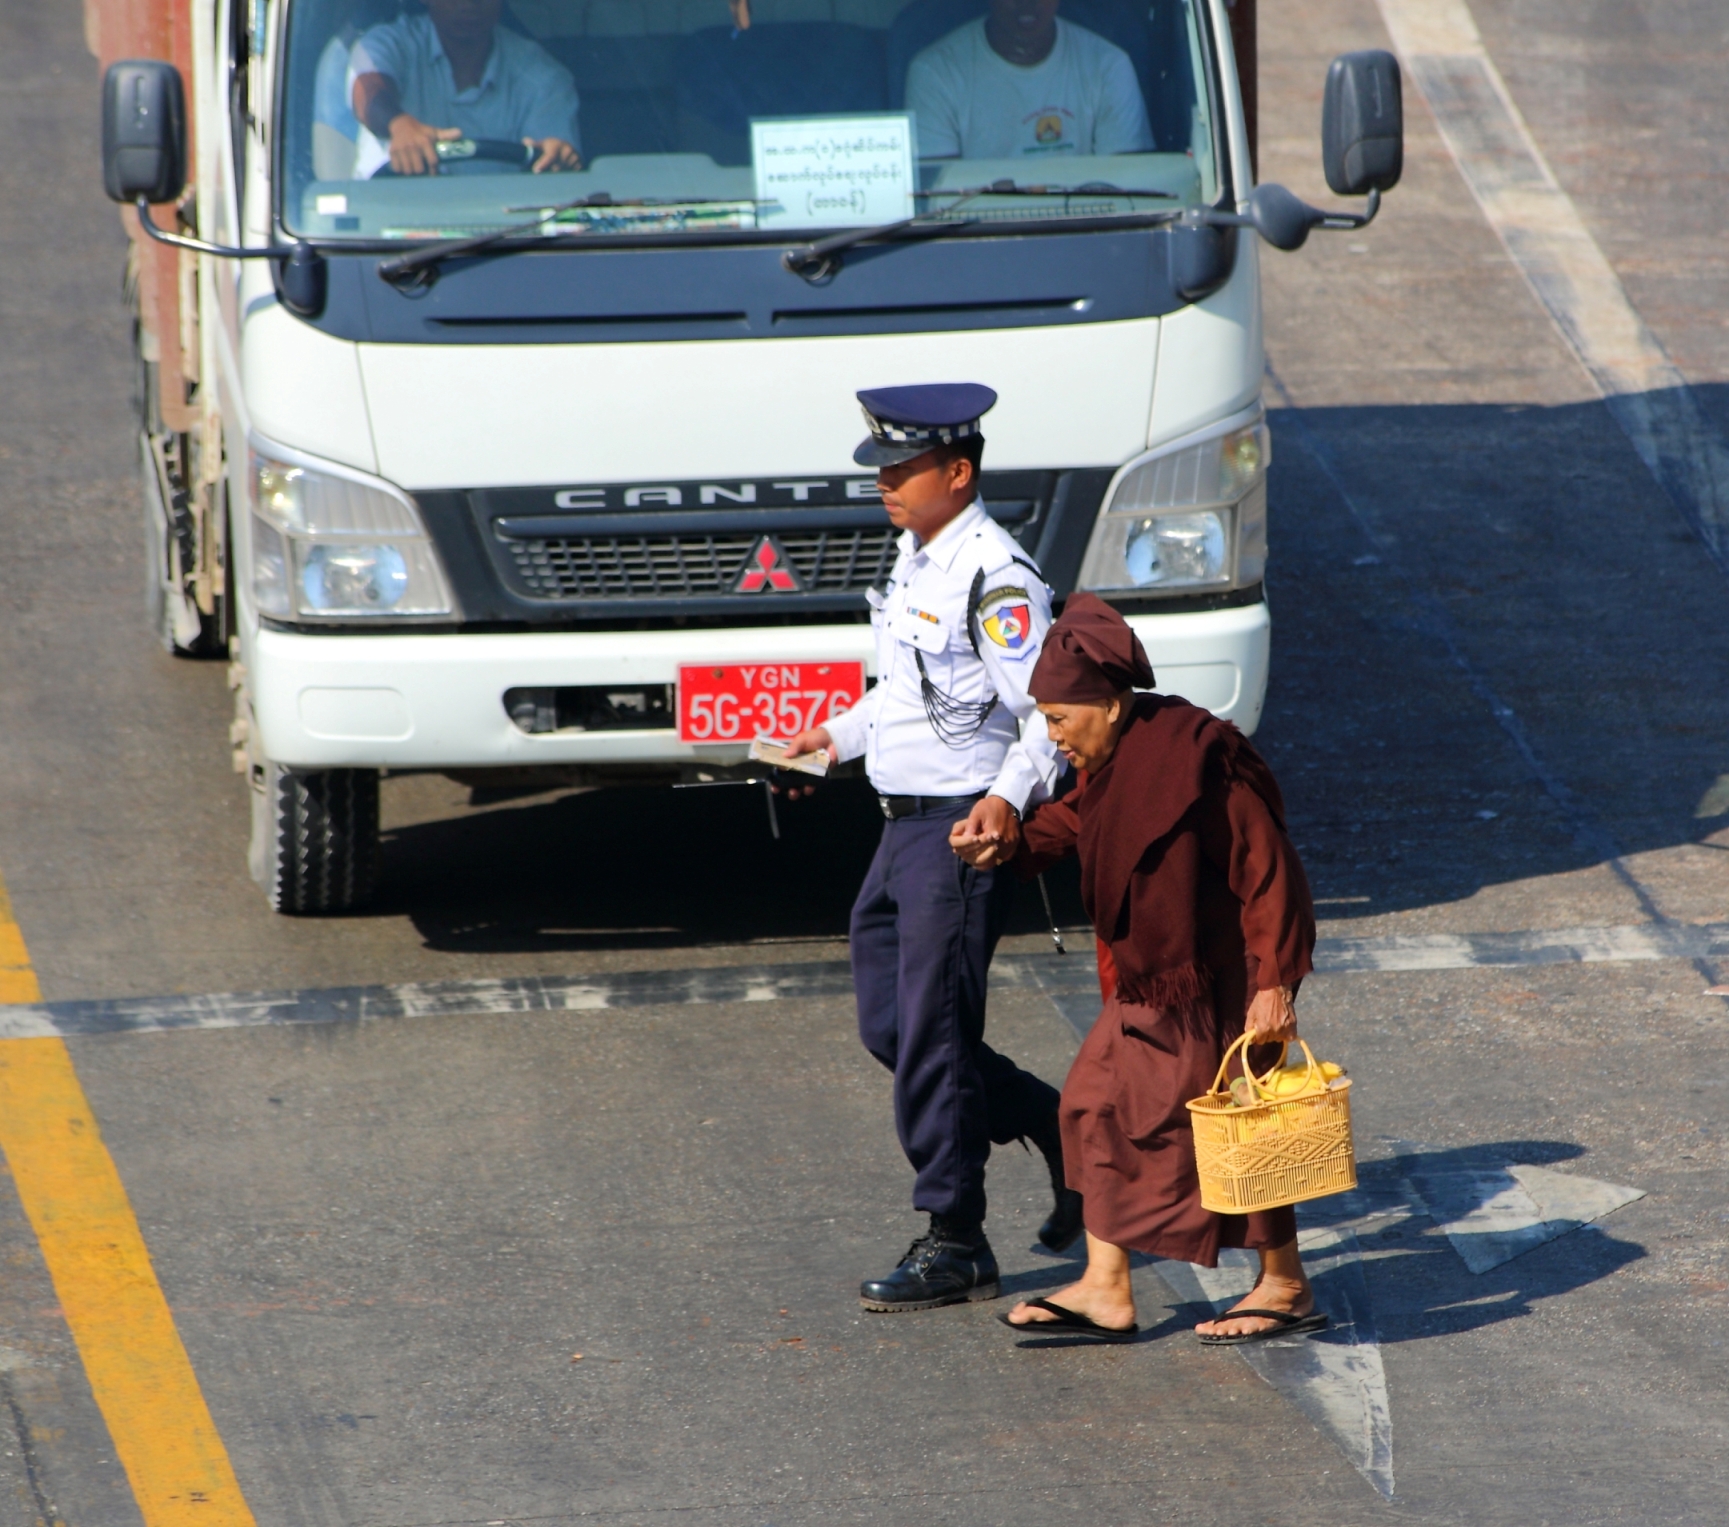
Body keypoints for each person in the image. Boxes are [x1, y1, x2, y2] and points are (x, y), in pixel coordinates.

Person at [952, 594, 1325, 1344]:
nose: (1052, 738)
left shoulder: (1196, 755)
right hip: (1150, 984)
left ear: (1113, 704)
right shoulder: (1116, 761)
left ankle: (1282, 1282)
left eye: (1059, 719)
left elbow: (1267, 870)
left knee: (1240, 1129)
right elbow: (1086, 822)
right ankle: (1105, 1285)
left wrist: (1274, 986)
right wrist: (1009, 837)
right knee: (1092, 1106)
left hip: (1214, 983)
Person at [783, 383, 1081, 1312]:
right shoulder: (918, 557)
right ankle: (1052, 1121)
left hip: (956, 826)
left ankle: (954, 1235)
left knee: (935, 1037)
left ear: (958, 472)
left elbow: (1050, 715)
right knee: (895, 1030)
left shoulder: (997, 576)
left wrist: (1003, 799)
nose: (884, 484)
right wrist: (831, 739)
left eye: (902, 469)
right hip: (898, 824)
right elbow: (902, 694)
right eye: (880, 468)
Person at [348, 0, 580, 178]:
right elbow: (368, 92)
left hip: (504, 236)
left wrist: (557, 160)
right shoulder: (387, 44)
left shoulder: (542, 77)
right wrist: (398, 124)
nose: (468, 3)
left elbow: (554, 182)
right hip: (381, 231)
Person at [905, 0, 1153, 161]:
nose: (1028, 3)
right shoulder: (935, 72)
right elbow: (938, 201)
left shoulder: (1108, 66)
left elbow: (1128, 193)